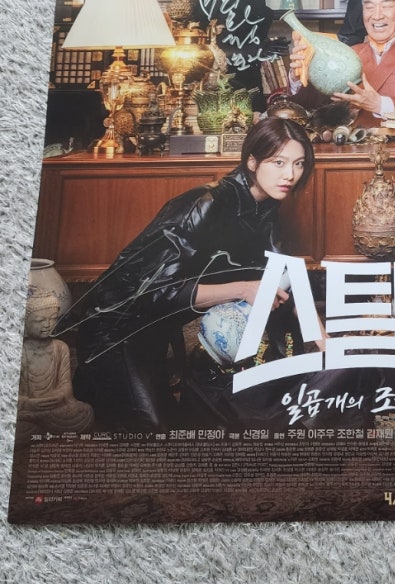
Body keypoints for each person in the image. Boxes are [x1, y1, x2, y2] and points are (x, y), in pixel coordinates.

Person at [66, 118, 315, 431]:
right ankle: (94, 378)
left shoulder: (265, 208)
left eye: (298, 163)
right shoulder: (205, 204)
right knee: (155, 433)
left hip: (159, 328)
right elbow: (153, 292)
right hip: (116, 328)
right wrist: (242, 289)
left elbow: (285, 278)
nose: (290, 174)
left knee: (203, 421)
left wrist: (323, 342)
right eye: (278, 162)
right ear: (252, 161)